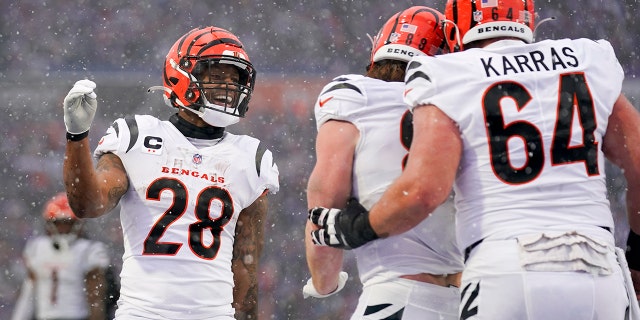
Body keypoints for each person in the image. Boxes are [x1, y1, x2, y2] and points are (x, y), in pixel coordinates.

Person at [308, 0, 640, 319]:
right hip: (598, 265)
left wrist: (359, 228)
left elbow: (422, 190)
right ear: (528, 18)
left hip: (503, 268)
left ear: (458, 28)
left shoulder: (447, 74)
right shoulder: (585, 57)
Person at [62, 26, 279, 320]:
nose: (228, 87)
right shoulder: (136, 136)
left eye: (234, 78)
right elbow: (87, 205)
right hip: (142, 314)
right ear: (181, 75)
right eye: (216, 76)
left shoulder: (250, 158)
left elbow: (245, 266)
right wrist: (77, 137)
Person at [304, 6, 463, 319]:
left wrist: (325, 282)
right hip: (476, 297)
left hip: (398, 294)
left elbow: (324, 208)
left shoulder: (355, 97)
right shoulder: (462, 100)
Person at [11, 192, 110, 320]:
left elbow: (95, 297)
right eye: (59, 223)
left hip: (77, 317)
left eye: (68, 223)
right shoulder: (37, 248)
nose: (63, 228)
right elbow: (28, 294)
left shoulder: (89, 250)